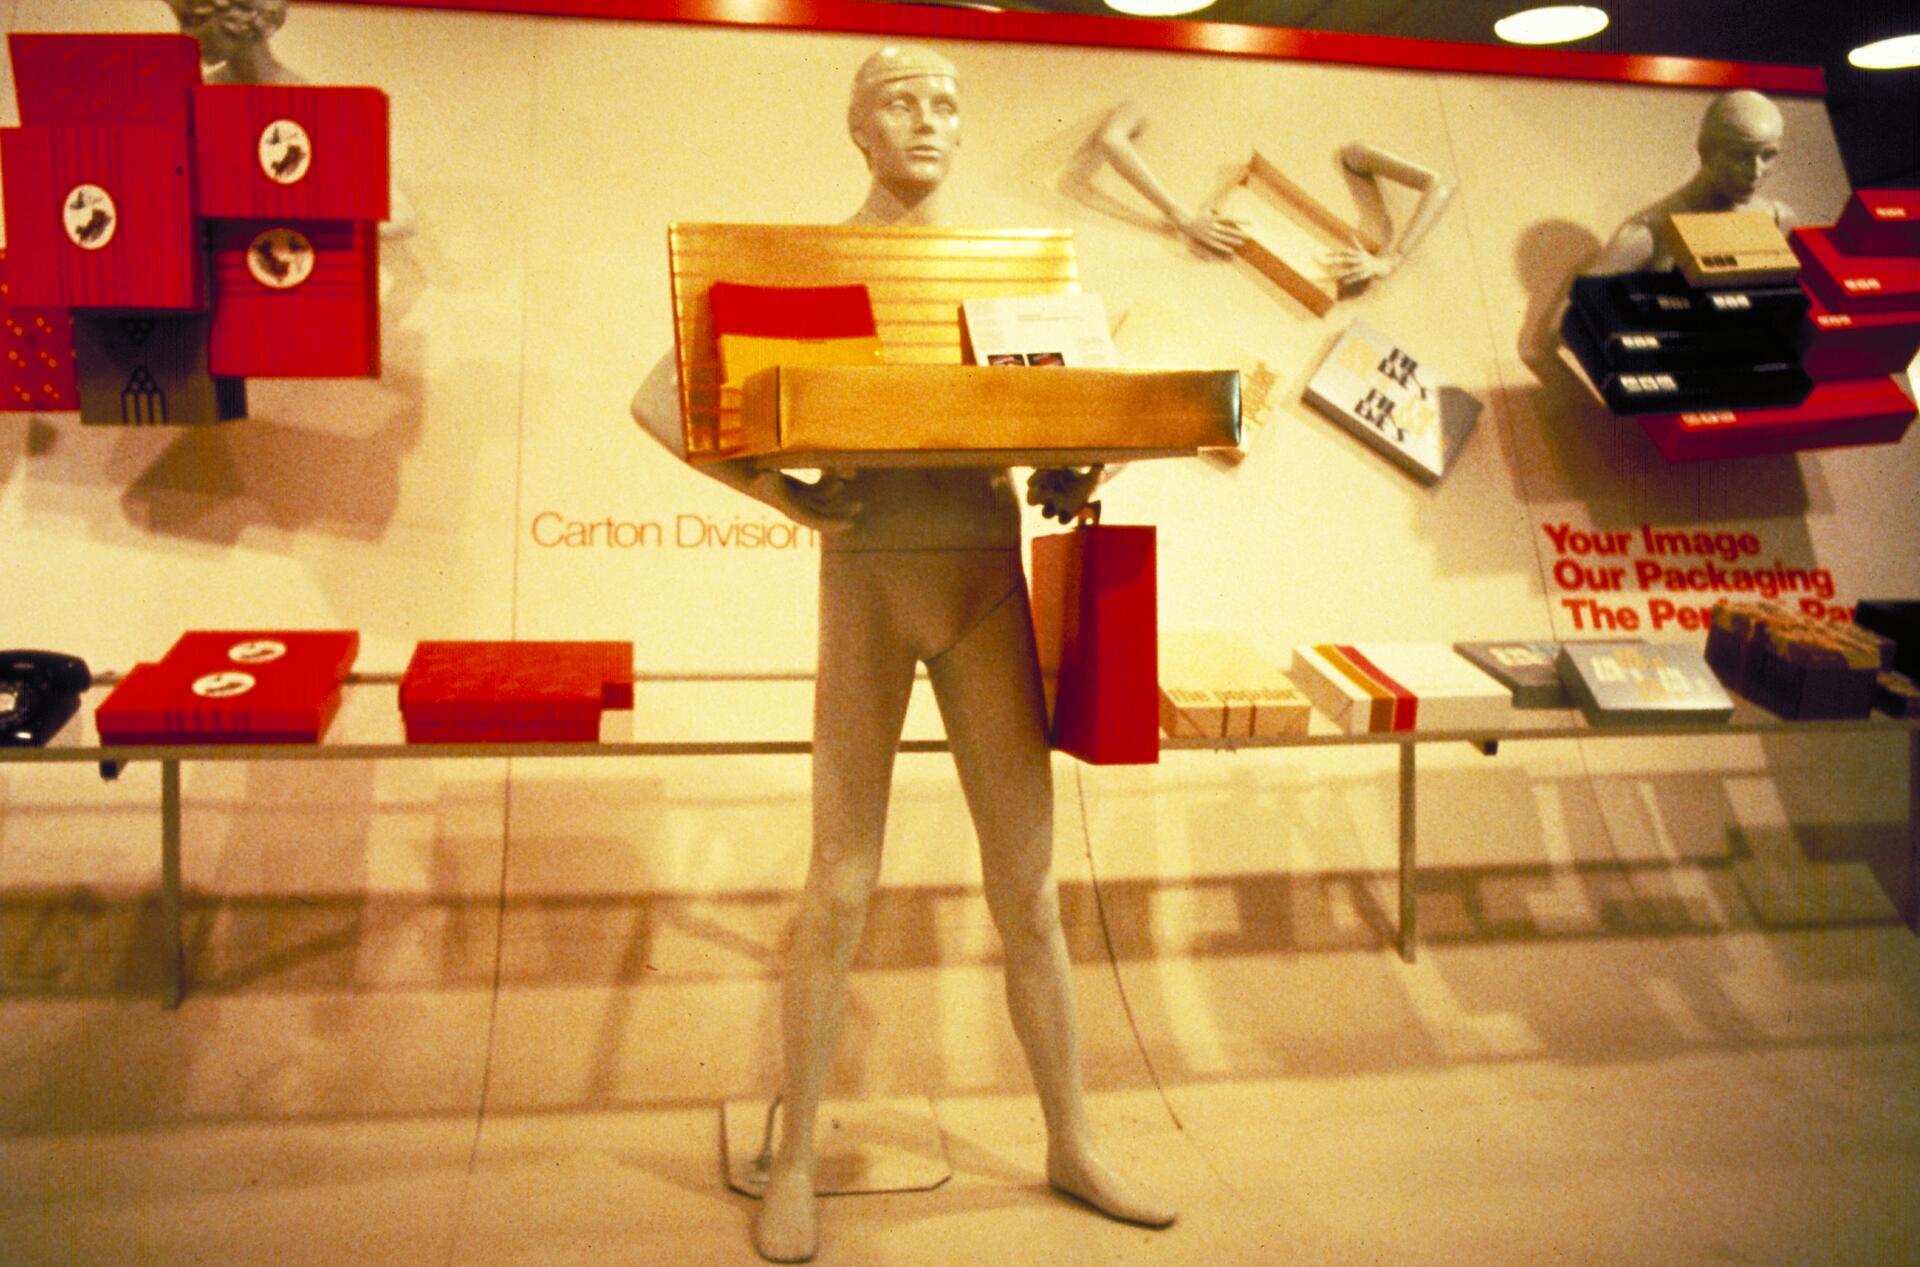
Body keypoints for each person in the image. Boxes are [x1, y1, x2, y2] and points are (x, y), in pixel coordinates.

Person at [632, 44, 1175, 1264]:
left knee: (1029, 889)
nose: (928, 121)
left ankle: (1073, 1137)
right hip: (870, 579)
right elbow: (661, 397)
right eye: (899, 101)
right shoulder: (811, 261)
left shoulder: (1010, 269)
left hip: (983, 574)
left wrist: (1085, 462)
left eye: (946, 102)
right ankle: (801, 1155)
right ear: (857, 129)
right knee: (838, 883)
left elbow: (1070, 414)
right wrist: (777, 493)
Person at [1093, 102, 1453, 287]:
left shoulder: (1350, 151)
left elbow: (1441, 184)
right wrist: (1182, 216)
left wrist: (1391, 261)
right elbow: (1111, 139)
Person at [1586, 89, 1795, 275]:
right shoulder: (1649, 231)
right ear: (1706, 150)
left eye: (1767, 156)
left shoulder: (1778, 220)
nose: (1756, 171)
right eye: (1740, 156)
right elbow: (1585, 308)